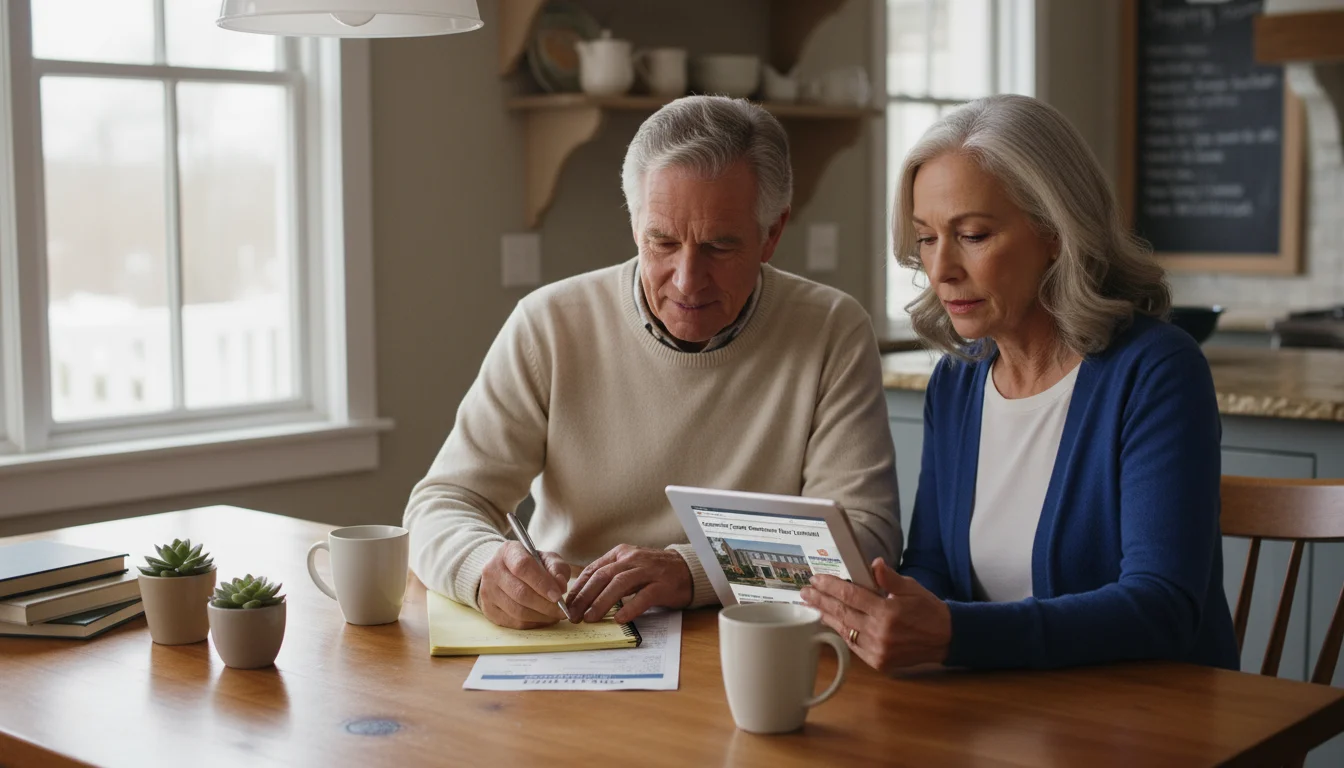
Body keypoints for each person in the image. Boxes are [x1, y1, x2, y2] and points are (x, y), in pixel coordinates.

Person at [405, 96, 901, 630]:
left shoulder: (832, 330)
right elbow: (442, 503)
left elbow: (863, 542)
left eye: (718, 247)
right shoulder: (549, 324)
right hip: (573, 642)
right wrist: (483, 569)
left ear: (772, 235)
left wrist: (691, 572)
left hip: (752, 646)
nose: (687, 280)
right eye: (661, 242)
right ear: (634, 224)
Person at [802, 94, 1239, 672]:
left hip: (1147, 726)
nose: (940, 270)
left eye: (974, 235)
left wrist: (954, 634)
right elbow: (934, 564)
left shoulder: (1156, 371)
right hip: (997, 714)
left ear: (1057, 231)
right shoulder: (957, 383)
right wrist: (892, 606)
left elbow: (1162, 608)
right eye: (927, 238)